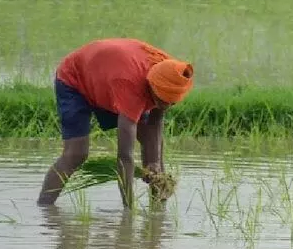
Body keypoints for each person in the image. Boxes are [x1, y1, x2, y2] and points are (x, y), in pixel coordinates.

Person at [37, 38, 194, 208]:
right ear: (151, 87)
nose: (166, 107)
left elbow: (155, 123)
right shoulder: (130, 85)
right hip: (76, 79)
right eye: (162, 101)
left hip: (109, 76)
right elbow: (124, 157)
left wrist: (154, 163)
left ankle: (158, 211)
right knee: (76, 153)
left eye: (171, 103)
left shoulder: (172, 72)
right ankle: (44, 208)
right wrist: (129, 212)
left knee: (152, 145)